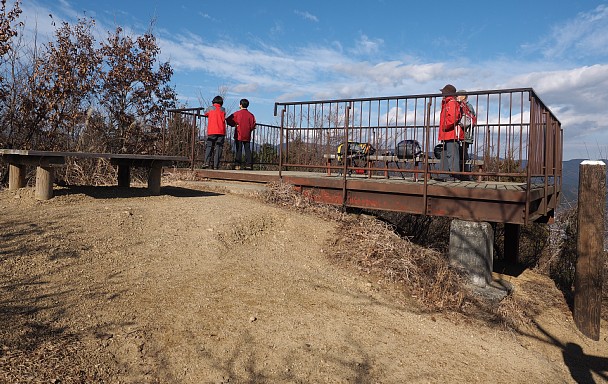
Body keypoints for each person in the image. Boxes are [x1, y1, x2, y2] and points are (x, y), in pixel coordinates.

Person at [436, 84, 463, 181]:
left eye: (443, 92)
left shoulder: (451, 103)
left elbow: (453, 118)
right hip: (448, 133)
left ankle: (454, 176)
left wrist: (444, 126)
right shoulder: (449, 102)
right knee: (446, 154)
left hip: (450, 133)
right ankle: (444, 175)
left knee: (452, 155)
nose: (442, 94)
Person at [226, 98, 257, 170]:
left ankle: (237, 165)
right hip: (247, 134)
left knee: (238, 149)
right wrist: (250, 129)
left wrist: (234, 125)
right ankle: (248, 165)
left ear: (240, 105)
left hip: (239, 134)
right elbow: (253, 124)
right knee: (247, 149)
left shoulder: (237, 113)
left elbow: (228, 119)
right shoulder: (251, 115)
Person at [457, 90, 477, 179]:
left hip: (465, 133)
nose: (457, 96)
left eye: (458, 95)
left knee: (463, 153)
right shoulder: (468, 106)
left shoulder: (466, 106)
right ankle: (464, 173)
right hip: (466, 133)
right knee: (462, 152)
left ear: (463, 96)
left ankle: (464, 174)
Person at [202, 95, 227, 169]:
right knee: (219, 148)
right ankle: (216, 165)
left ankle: (206, 163)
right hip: (221, 131)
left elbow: (205, 113)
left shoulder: (210, 108)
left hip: (212, 130)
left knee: (209, 146)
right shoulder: (223, 109)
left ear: (213, 102)